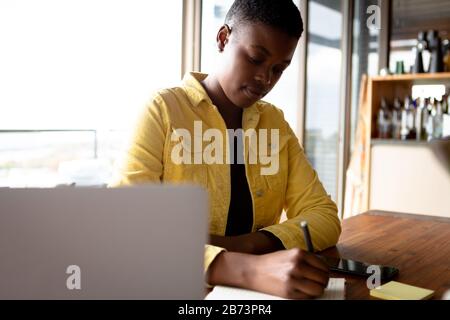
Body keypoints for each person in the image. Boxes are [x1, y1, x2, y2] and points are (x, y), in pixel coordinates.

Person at [110, 0, 341, 299]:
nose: (265, 79)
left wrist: (248, 245)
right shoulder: (163, 111)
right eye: (256, 58)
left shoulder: (274, 123)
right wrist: (245, 268)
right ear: (223, 39)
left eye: (279, 69)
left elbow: (323, 215)